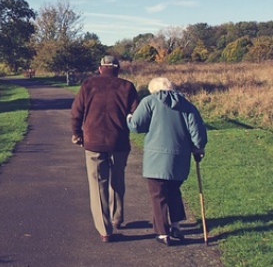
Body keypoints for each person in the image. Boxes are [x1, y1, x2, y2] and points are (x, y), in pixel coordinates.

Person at [126, 77, 207, 246]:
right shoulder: (187, 105)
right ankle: (176, 226)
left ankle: (163, 233)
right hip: (180, 158)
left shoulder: (149, 101)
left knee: (158, 195)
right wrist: (198, 148)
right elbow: (197, 133)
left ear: (153, 90)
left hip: (156, 159)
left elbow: (136, 125)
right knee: (174, 191)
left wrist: (128, 117)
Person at [71, 55, 139, 242]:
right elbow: (136, 114)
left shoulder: (88, 85)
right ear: (117, 69)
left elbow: (76, 112)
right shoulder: (127, 87)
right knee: (117, 179)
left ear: (100, 68)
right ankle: (117, 217)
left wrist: (77, 133)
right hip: (119, 142)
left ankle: (105, 229)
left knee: (97, 184)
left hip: (93, 141)